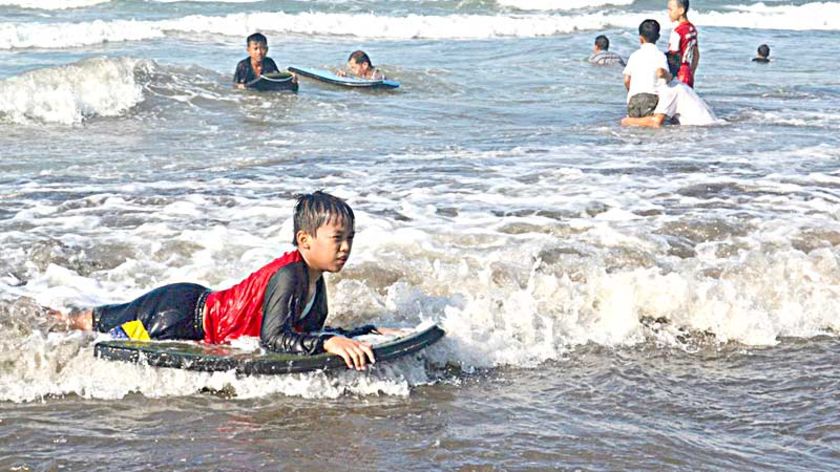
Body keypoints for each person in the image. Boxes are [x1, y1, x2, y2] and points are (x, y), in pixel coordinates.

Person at [55, 192, 401, 370]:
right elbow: (275, 339)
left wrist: (361, 332)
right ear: (304, 240)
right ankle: (44, 326)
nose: (345, 248)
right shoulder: (290, 275)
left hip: (194, 304)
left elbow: (302, 333)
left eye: (350, 239)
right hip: (178, 317)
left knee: (95, 321)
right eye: (337, 238)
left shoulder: (316, 281)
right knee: (93, 327)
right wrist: (328, 344)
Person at [623, 19, 670, 119]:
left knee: (634, 127)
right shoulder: (660, 55)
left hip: (633, 98)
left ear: (640, 38)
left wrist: (632, 92)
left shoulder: (634, 55)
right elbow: (662, 74)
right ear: (658, 37)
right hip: (651, 97)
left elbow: (627, 80)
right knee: (650, 129)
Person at [620, 80, 717, 127]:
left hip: (701, 129)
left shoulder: (670, 90)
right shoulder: (681, 85)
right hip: (710, 126)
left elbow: (656, 122)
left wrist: (628, 121)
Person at [233, 32, 298, 90]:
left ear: (267, 49)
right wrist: (240, 87)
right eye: (255, 49)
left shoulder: (269, 63)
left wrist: (292, 80)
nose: (259, 52)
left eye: (262, 48)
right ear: (248, 50)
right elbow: (235, 85)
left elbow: (278, 82)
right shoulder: (243, 65)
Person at [667, 0, 699, 87]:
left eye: (670, 9)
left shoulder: (677, 31)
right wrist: (691, 72)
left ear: (681, 10)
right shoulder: (692, 28)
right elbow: (696, 54)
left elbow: (672, 56)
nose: (668, 12)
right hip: (688, 72)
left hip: (679, 74)